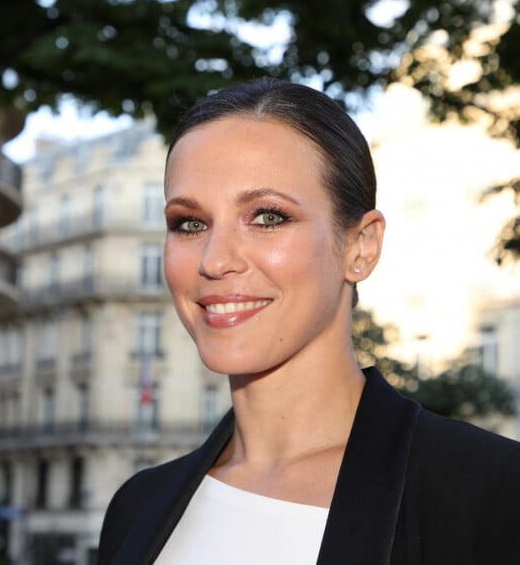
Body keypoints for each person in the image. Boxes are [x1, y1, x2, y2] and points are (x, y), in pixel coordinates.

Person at [98, 78, 520, 565]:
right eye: (189, 223)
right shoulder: (137, 507)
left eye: (268, 217)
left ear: (360, 246)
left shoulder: (488, 495)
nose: (215, 260)